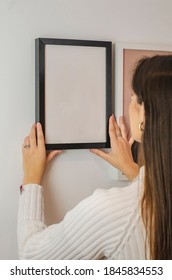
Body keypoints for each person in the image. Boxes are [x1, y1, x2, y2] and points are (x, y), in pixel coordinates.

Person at [18, 55, 172, 260]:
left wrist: (31, 182)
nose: (129, 104)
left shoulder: (112, 212)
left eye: (133, 97)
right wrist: (134, 171)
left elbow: (31, 258)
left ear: (144, 116)